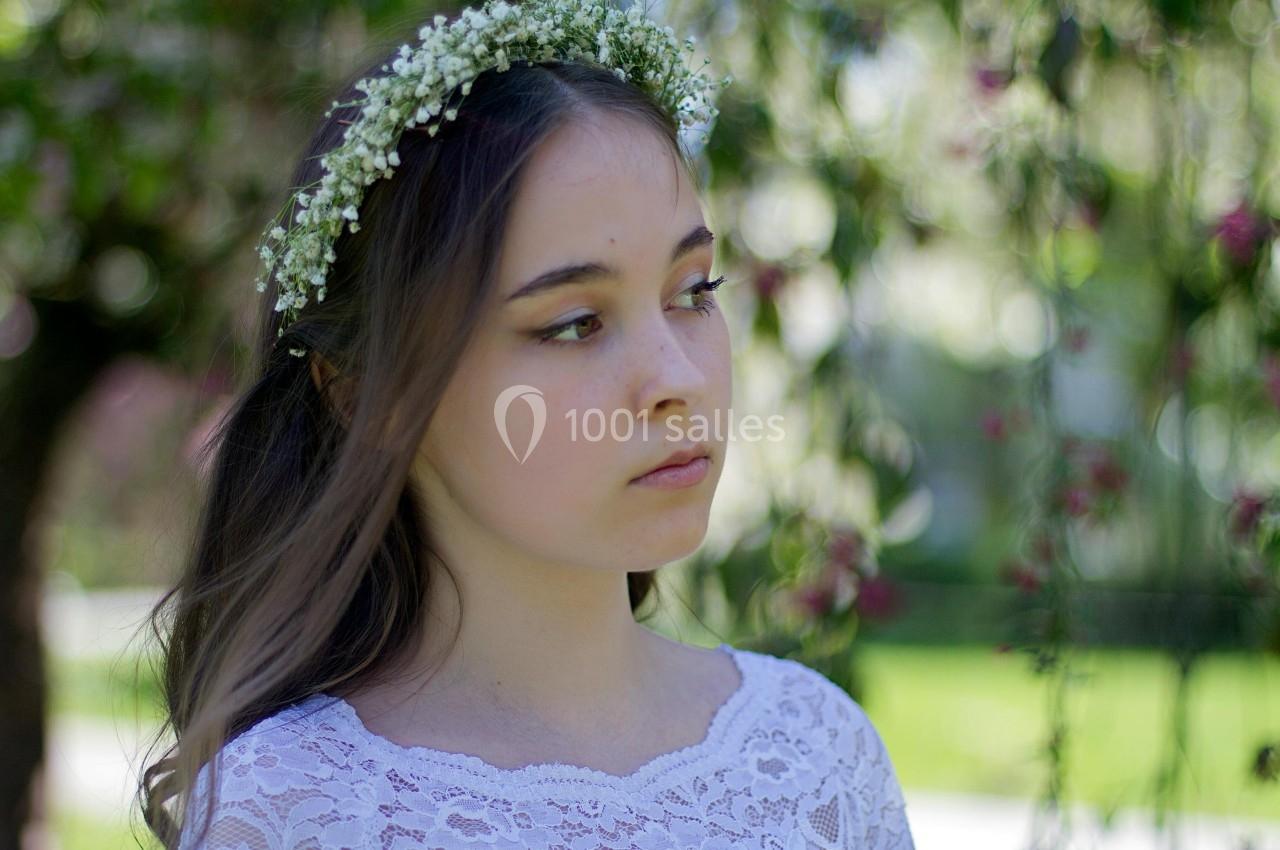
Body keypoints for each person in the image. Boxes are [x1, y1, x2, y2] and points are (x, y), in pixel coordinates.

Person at [137, 2, 916, 848]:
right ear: (368, 396)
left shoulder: (816, 755)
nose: (680, 380)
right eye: (575, 322)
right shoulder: (297, 809)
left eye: (693, 292)